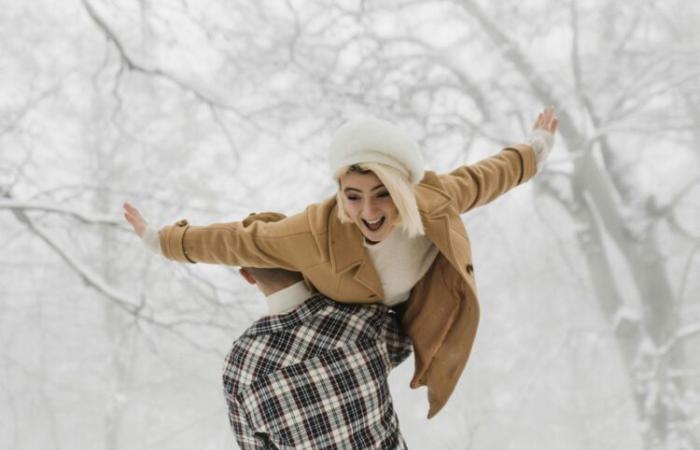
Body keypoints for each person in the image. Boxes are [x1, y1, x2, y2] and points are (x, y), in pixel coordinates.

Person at [124, 107, 559, 418]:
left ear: (404, 190)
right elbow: (235, 240)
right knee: (268, 256)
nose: (368, 212)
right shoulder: (311, 234)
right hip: (328, 317)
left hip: (396, 322)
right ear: (340, 192)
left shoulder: (436, 201)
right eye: (353, 197)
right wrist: (161, 240)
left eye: (382, 194)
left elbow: (489, 176)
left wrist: (535, 147)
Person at [223, 212, 412, 449]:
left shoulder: (241, 365)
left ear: (247, 275)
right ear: (302, 257)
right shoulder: (363, 319)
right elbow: (405, 343)